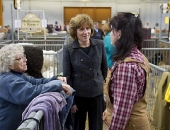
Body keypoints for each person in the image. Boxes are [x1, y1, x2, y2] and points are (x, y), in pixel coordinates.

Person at [0, 44, 73, 130]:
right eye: (20, 58)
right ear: (10, 65)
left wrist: (55, 78)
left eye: (24, 56)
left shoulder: (18, 75)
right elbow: (30, 92)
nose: (25, 60)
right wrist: (57, 85)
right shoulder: (8, 80)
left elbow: (35, 82)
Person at [103, 12, 150, 130]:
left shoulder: (126, 67)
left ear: (119, 34)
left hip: (129, 125)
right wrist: (109, 110)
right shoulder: (139, 56)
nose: (110, 35)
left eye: (112, 31)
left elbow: (121, 113)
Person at [63, 14, 108, 130]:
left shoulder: (99, 45)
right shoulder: (69, 49)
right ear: (75, 31)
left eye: (88, 28)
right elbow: (67, 77)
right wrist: (71, 101)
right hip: (78, 95)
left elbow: (104, 69)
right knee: (78, 126)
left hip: (96, 94)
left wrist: (103, 90)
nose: (85, 32)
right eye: (81, 29)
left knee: (97, 127)